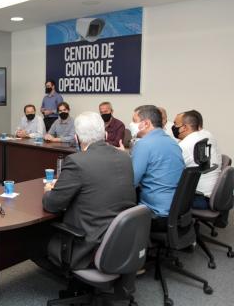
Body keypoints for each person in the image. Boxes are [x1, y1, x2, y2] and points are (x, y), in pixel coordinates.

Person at [42, 111, 136, 270]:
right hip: (121, 237)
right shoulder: (125, 157)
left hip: (89, 244)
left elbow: (52, 205)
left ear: (76, 138)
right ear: (105, 134)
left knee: (38, 237)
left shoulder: (77, 162)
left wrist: (47, 191)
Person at [127, 105, 184, 230]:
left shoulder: (144, 145)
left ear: (146, 123)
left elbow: (131, 182)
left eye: (134, 120)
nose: (131, 124)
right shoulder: (172, 143)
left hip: (156, 212)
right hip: (176, 207)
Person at [173, 110, 221, 209]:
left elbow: (171, 173)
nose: (173, 127)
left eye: (175, 124)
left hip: (199, 198)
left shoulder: (184, 146)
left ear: (184, 127)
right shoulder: (206, 135)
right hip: (213, 193)